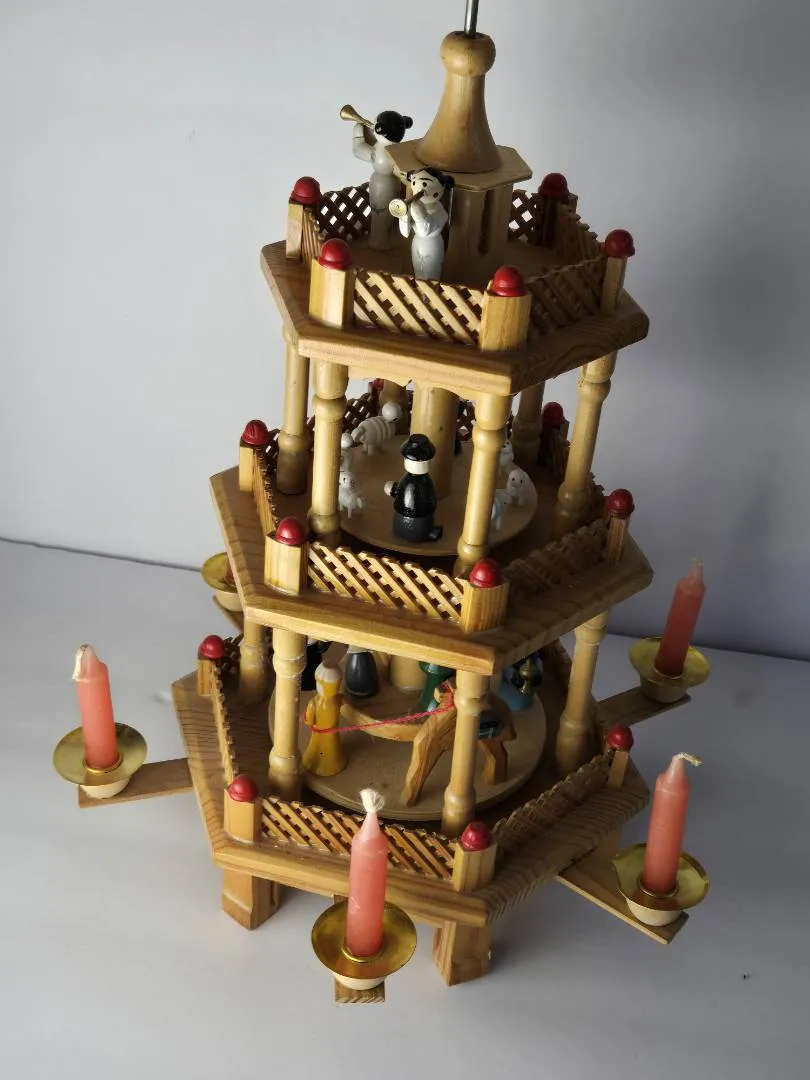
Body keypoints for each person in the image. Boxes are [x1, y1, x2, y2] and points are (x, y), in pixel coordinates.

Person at [301, 661, 346, 777]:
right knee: (332, 747)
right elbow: (344, 702)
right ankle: (335, 763)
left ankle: (319, 764)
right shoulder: (337, 699)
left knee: (320, 748)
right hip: (332, 732)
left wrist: (305, 717)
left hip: (320, 733)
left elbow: (309, 721)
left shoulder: (313, 703)